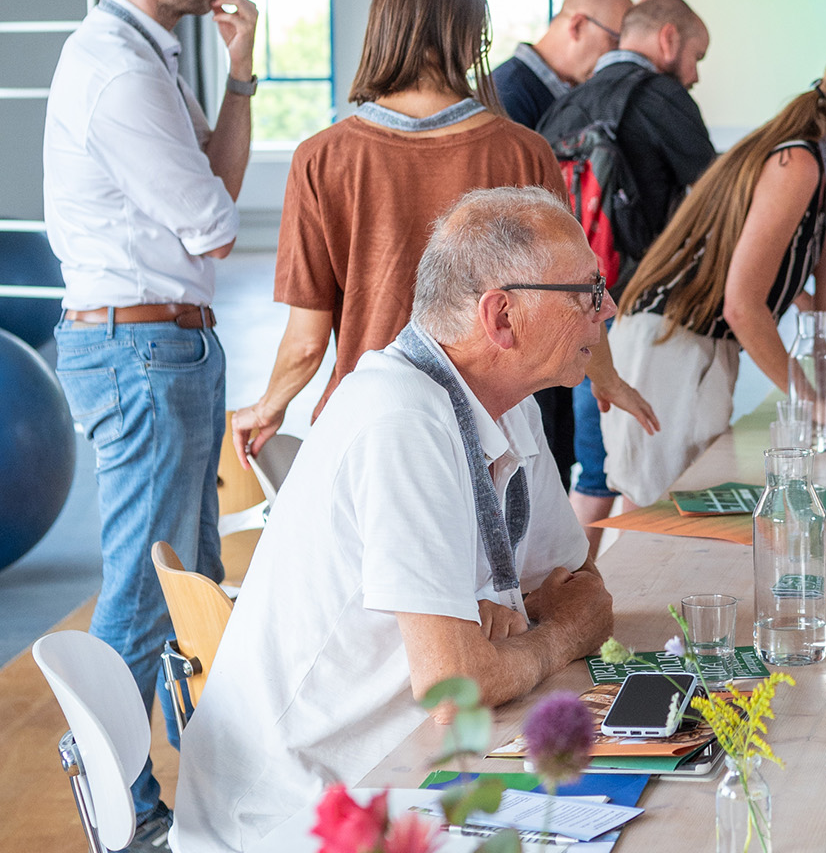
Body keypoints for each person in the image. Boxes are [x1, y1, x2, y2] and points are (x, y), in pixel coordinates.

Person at [173, 188, 616, 853]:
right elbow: (458, 685)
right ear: (503, 317)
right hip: (290, 818)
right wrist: (553, 636)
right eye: (587, 291)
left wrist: (513, 632)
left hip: (399, 771)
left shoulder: (505, 401)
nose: (606, 310)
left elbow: (576, 583)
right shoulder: (403, 417)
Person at [230, 0, 654, 467]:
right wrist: (607, 380)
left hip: (368, 425)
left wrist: (268, 407)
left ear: (381, 30)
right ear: (476, 35)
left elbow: (305, 342)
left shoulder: (322, 158)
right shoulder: (522, 151)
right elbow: (578, 294)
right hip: (491, 432)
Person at [42, 0, 257, 844]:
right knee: (142, 586)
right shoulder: (121, 72)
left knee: (190, 582)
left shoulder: (151, 50)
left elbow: (213, 185)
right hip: (140, 348)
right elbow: (216, 224)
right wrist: (210, 197)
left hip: (164, 342)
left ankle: (207, 791)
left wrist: (242, 73)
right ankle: (123, 813)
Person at [602, 33, 826, 508]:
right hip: (670, 342)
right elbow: (742, 305)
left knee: (683, 505)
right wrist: (811, 399)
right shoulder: (798, 162)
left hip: (697, 342)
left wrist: (822, 308)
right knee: (655, 511)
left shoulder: (817, 162)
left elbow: (797, 251)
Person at [536, 0, 716, 533]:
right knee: (641, 475)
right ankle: (630, 598)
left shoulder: (566, 102)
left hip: (569, 308)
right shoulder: (660, 95)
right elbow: (715, 198)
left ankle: (566, 595)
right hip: (637, 310)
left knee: (592, 479)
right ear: (668, 38)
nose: (696, 76)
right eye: (697, 57)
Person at [490, 0, 631, 490]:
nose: (619, 60)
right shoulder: (508, 94)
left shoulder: (557, 95)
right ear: (577, 25)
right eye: (616, 42)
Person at [492, 0, 631, 129]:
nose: (617, 55)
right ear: (577, 26)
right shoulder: (505, 93)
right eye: (615, 41)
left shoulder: (575, 92)